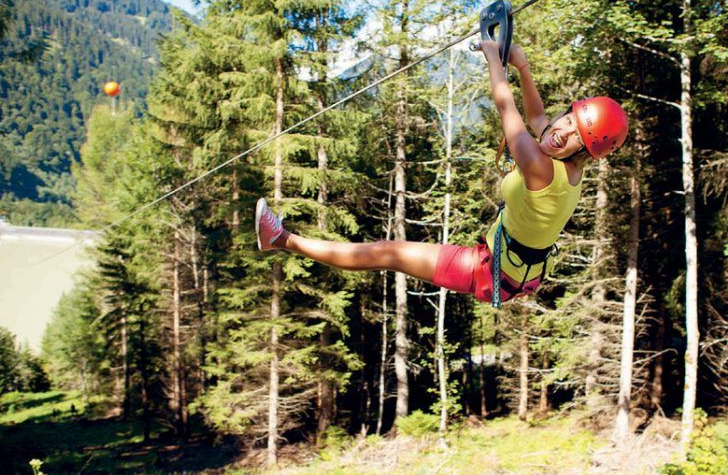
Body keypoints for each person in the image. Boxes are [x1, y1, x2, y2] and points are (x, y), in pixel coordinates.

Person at [254, 40, 629, 305]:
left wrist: (494, 61)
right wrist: (522, 65)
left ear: (585, 150)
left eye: (576, 135)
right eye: (568, 119)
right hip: (511, 269)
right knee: (389, 253)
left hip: (489, 272)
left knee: (387, 253)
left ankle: (281, 239)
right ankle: (281, 239)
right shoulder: (565, 163)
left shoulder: (541, 167)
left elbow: (508, 108)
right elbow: (539, 117)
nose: (562, 131)